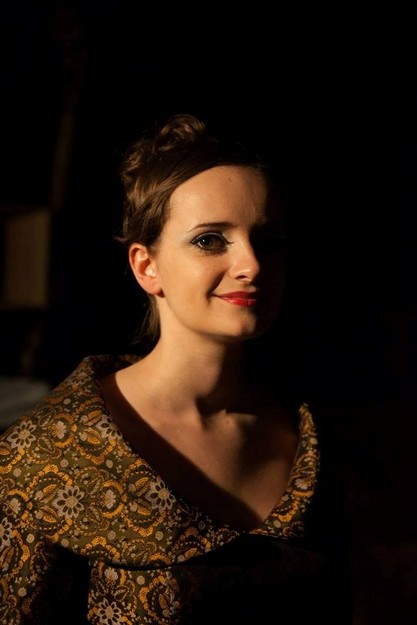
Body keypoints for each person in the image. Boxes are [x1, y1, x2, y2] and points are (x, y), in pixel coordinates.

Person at [0, 113, 353, 624]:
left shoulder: (309, 436)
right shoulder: (45, 453)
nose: (252, 264)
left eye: (268, 239)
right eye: (210, 239)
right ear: (147, 266)